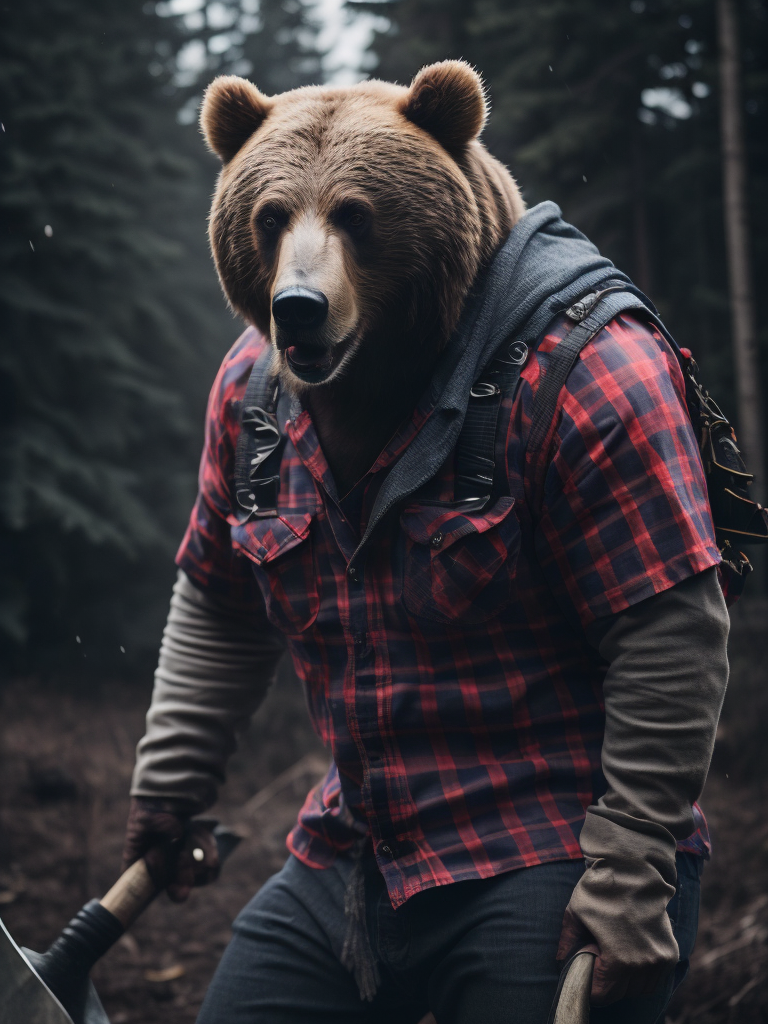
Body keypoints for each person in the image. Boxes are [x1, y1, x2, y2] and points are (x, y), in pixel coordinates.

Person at [122, 65, 729, 1024]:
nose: (300, 279)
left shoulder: (587, 368)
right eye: (275, 224)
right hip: (359, 847)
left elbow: (669, 638)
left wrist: (631, 876)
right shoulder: (254, 391)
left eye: (354, 221)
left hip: (557, 847)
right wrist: (169, 783)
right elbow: (220, 599)